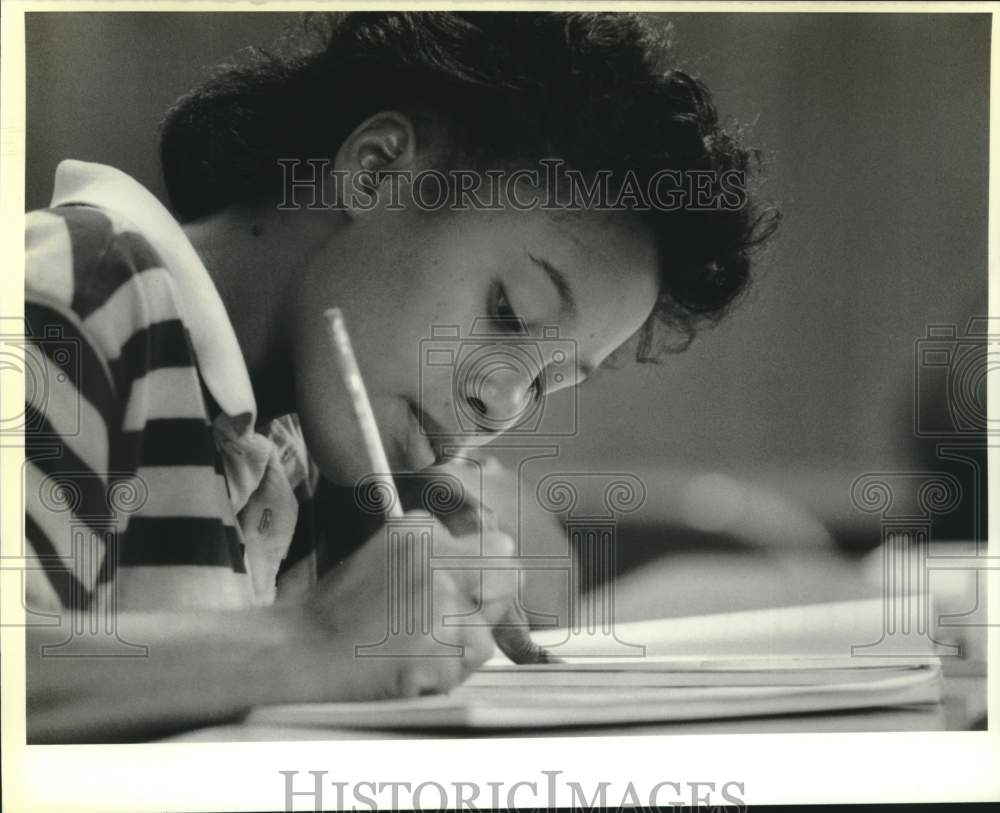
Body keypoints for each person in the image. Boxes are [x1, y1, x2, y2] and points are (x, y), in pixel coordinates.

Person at [23, 11, 777, 742]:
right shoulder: (73, 291)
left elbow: (541, 586)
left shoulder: (284, 448)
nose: (503, 401)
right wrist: (309, 641)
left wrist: (466, 549)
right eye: (509, 313)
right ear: (377, 169)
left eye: (549, 382)